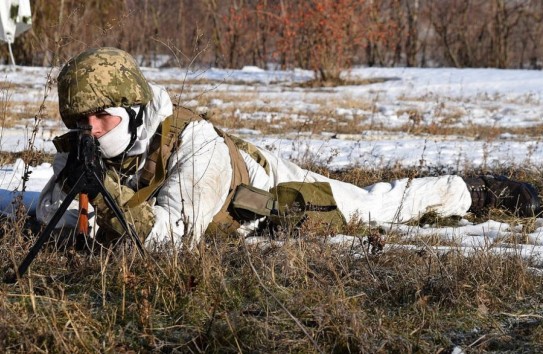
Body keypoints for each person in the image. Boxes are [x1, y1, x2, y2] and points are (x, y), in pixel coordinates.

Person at [36, 47, 542, 249]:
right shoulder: (85, 147)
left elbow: (173, 234)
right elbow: (47, 216)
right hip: (214, 187)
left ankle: (471, 190)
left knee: (372, 207)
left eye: (104, 117)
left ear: (137, 109)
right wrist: (74, 194)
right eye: (81, 122)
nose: (93, 131)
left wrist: (101, 197)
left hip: (260, 184)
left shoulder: (196, 144)